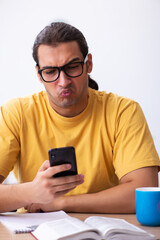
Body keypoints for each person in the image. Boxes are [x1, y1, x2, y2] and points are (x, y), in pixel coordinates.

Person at [0, 22, 159, 214]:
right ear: (39, 75)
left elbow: (144, 193)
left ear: (88, 64)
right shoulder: (15, 114)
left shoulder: (123, 111)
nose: (63, 82)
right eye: (50, 72)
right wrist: (32, 192)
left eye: (73, 67)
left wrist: (61, 203)